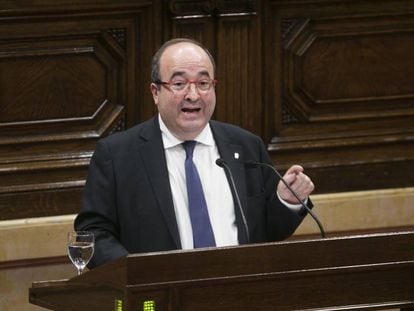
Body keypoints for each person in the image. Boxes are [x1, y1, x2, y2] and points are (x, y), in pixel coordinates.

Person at [75, 38, 315, 268]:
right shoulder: (118, 155)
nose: (193, 95)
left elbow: (266, 232)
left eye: (203, 83)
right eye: (179, 84)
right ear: (155, 92)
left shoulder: (245, 146)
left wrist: (287, 201)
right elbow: (93, 233)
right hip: (159, 298)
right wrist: (136, 274)